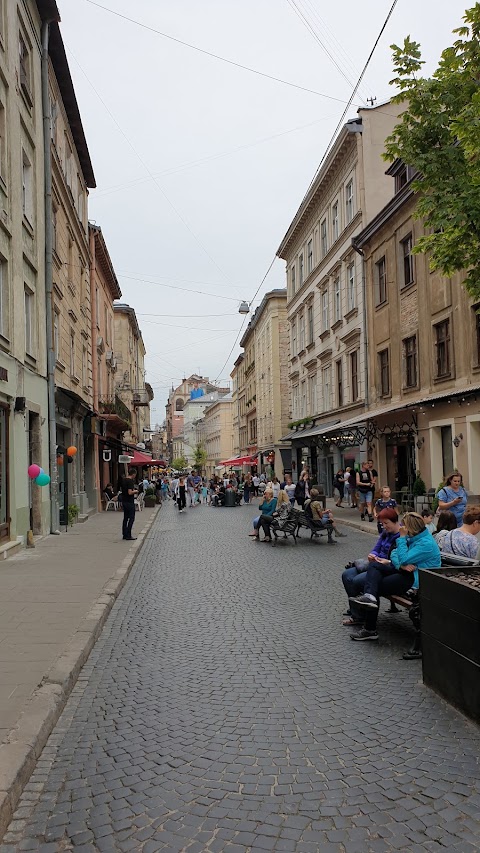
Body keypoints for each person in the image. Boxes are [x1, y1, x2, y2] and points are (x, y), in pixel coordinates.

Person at [349, 512, 441, 641]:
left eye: (404, 526)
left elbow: (402, 557)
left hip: (415, 581)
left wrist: (402, 541)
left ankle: (370, 629)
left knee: (374, 586)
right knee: (374, 566)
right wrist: (401, 566)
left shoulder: (425, 543)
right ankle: (369, 598)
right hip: (405, 573)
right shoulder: (415, 537)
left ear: (411, 528)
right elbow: (394, 553)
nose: (402, 528)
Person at [342, 508, 401, 624]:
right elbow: (376, 549)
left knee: (356, 580)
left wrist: (385, 561)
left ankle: (360, 615)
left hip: (384, 568)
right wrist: (372, 555)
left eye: (386, 523)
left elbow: (397, 559)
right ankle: (356, 611)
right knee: (347, 575)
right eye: (382, 523)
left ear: (394, 521)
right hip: (375, 564)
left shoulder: (400, 537)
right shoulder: (385, 534)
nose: (384, 526)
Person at [121, 468, 138, 541]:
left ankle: (124, 534)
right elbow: (130, 492)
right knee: (131, 518)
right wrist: (135, 491)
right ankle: (128, 534)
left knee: (125, 518)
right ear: (133, 474)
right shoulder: (130, 481)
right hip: (129, 501)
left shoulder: (123, 480)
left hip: (124, 501)